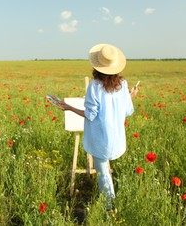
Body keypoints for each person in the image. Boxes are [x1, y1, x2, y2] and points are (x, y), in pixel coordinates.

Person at [59, 43, 138, 212]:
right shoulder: (122, 84)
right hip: (116, 137)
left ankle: (109, 208)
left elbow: (91, 115)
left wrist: (69, 107)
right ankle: (110, 204)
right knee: (106, 171)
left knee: (103, 175)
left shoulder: (94, 86)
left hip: (100, 137)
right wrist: (130, 96)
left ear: (97, 67)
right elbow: (125, 110)